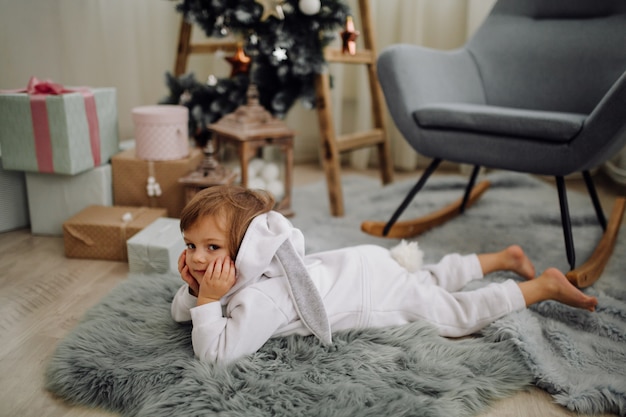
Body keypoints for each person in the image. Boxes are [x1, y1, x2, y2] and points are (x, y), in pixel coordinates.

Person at [171, 185, 598, 364]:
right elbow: (181, 313)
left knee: (451, 313)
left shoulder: (260, 299)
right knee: (427, 277)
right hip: (362, 262)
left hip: (371, 290)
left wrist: (207, 302)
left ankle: (541, 285)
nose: (198, 259)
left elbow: (216, 353)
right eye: (191, 246)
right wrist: (195, 290)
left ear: (248, 248)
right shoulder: (257, 265)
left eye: (212, 248)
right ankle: (503, 256)